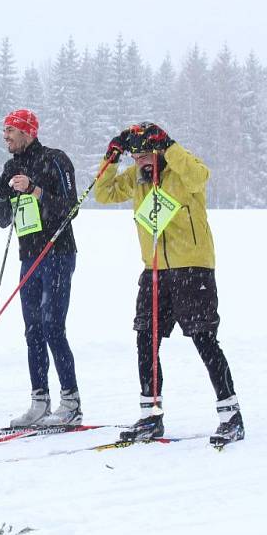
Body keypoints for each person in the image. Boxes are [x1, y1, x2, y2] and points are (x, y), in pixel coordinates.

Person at [95, 122, 244, 446]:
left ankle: (230, 416)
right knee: (145, 339)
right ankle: (151, 416)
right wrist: (112, 158)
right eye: (135, 157)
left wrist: (171, 146)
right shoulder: (137, 178)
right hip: (154, 270)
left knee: (204, 340)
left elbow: (200, 177)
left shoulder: (182, 167)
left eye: (146, 154)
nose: (141, 162)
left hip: (193, 267)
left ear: (160, 150)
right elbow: (104, 194)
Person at [0, 109, 81, 427]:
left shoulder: (55, 159)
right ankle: (39, 401)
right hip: (28, 255)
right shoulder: (10, 166)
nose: (5, 137)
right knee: (32, 330)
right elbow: (3, 220)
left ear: (28, 132)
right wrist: (3, 195)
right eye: (4, 132)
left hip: (57, 253)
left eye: (11, 131)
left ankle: (71, 402)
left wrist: (34, 190)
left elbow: (72, 207)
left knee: (52, 326)